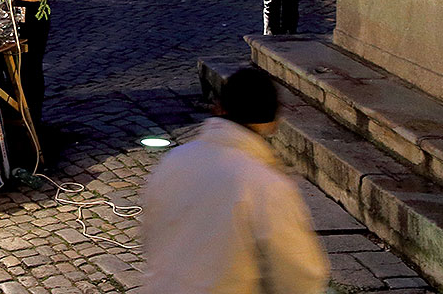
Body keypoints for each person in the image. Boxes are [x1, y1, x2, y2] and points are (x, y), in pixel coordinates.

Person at [140, 66, 329, 294]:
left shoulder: (174, 160)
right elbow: (299, 276)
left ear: (219, 107)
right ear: (272, 121)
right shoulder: (265, 185)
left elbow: (151, 236)